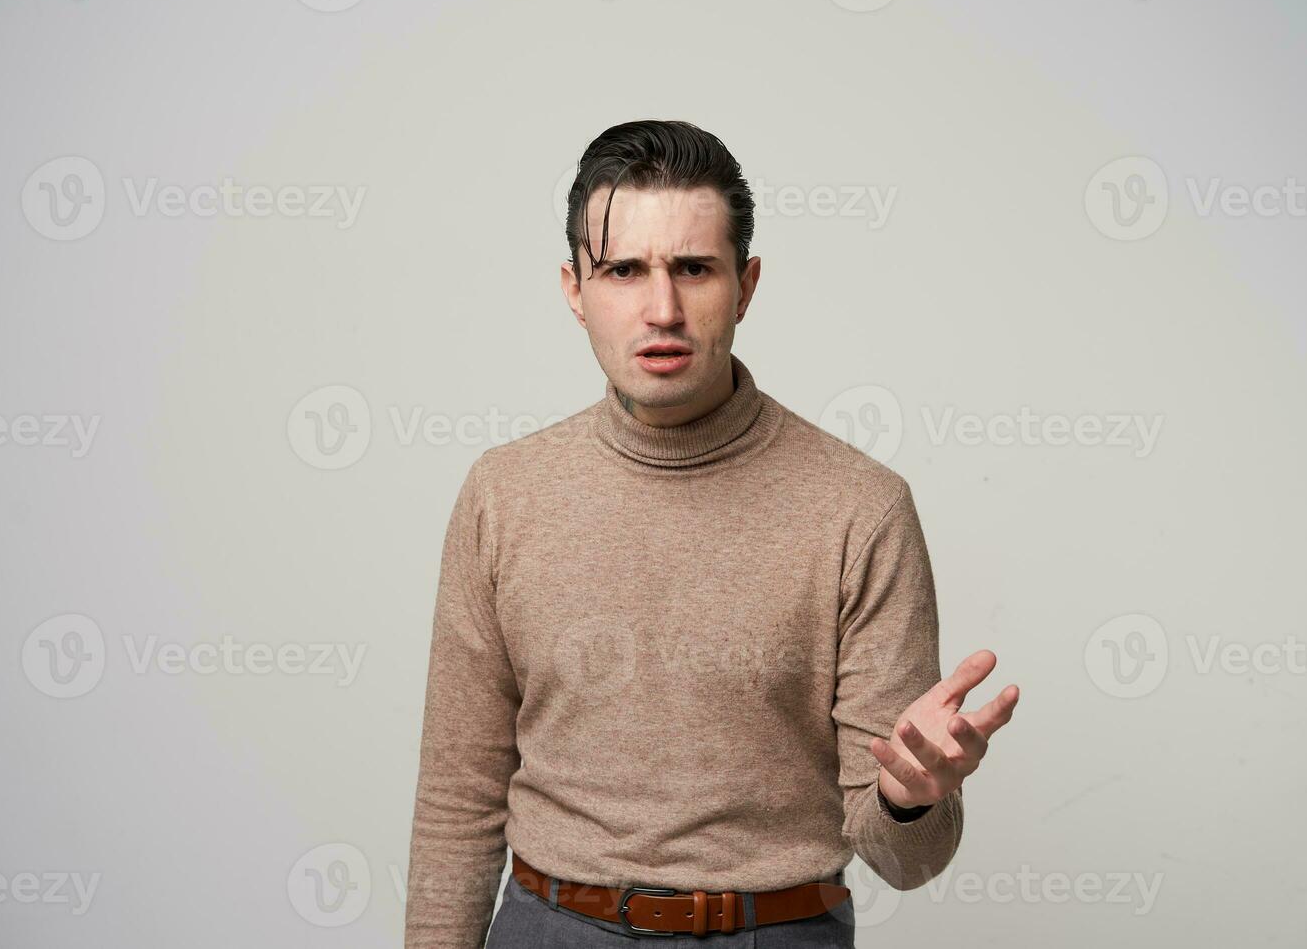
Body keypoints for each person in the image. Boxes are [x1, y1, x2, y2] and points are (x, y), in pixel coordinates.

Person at [404, 119, 1020, 948]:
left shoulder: (859, 506)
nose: (662, 308)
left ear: (746, 285)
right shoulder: (503, 494)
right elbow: (458, 798)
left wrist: (913, 798)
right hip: (550, 929)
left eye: (694, 268)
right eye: (624, 270)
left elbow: (907, 860)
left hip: (777, 931)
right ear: (574, 290)